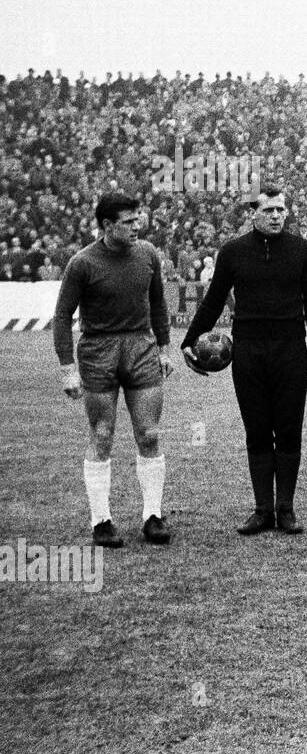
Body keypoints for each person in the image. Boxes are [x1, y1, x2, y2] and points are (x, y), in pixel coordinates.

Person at [181, 186, 307, 534]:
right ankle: (263, 510)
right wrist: (189, 340)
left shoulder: (303, 251)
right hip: (248, 350)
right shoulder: (232, 252)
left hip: (290, 349)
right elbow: (214, 300)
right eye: (268, 210)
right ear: (253, 213)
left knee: (289, 430)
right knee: (257, 431)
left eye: (280, 210)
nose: (276, 216)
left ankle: (286, 509)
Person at [53, 193, 173, 548]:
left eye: (138, 220)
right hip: (98, 351)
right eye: (128, 221)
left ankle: (153, 516)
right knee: (102, 434)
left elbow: (158, 303)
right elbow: (62, 316)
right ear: (107, 226)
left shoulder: (148, 254)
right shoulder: (82, 263)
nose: (137, 227)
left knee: (149, 433)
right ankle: (101, 521)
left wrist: (164, 349)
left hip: (140, 347)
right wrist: (66, 368)